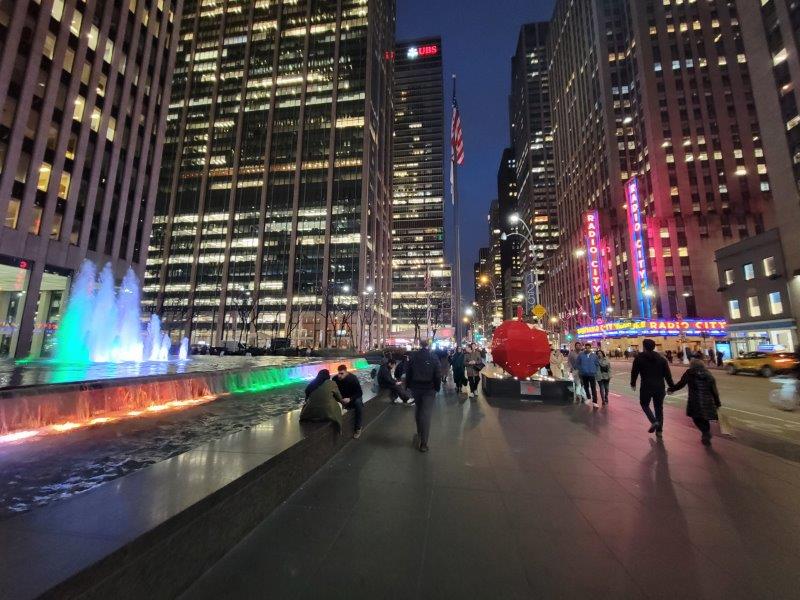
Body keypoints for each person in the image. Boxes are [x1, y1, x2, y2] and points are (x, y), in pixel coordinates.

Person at [668, 359, 722, 445]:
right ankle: (706, 433)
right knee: (705, 418)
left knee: (696, 418)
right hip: (707, 400)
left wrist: (672, 389)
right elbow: (714, 390)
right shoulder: (708, 374)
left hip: (695, 400)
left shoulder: (690, 373)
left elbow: (681, 383)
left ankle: (705, 433)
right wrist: (717, 402)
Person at [630, 339, 675, 436]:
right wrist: (672, 387)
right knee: (659, 408)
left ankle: (654, 421)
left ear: (644, 347)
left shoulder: (639, 358)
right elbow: (668, 375)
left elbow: (634, 373)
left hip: (646, 387)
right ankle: (659, 431)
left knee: (644, 404)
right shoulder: (662, 359)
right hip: (660, 387)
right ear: (654, 347)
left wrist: (633, 383)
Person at [406, 339, 442, 452]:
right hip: (429, 389)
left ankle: (419, 431)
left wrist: (408, 385)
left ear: (420, 345)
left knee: (418, 408)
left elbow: (408, 372)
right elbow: (438, 374)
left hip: (416, 388)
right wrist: (437, 387)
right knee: (426, 414)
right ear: (429, 345)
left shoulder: (414, 356)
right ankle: (424, 443)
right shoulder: (433, 357)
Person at [333, 364, 364, 439]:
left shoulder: (353, 378)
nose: (339, 375)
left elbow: (359, 392)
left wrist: (350, 399)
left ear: (346, 372)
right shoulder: (335, 379)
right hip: (342, 398)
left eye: (342, 373)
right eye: (338, 373)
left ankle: (358, 428)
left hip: (353, 398)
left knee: (358, 403)